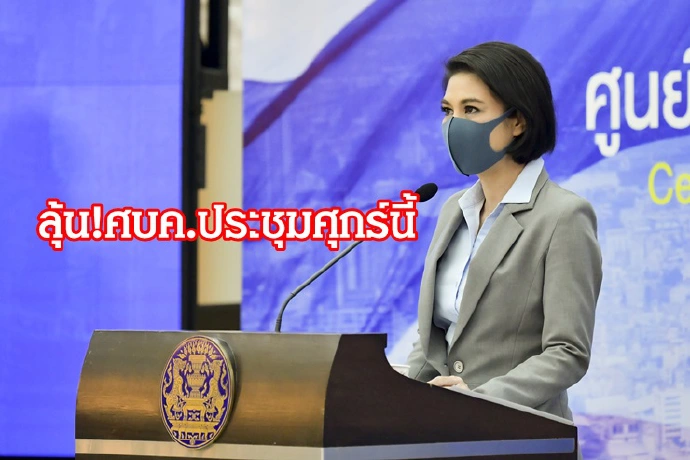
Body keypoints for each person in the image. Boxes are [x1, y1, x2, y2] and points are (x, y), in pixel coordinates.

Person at [406, 41, 603, 422]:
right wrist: (396, 398)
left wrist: (480, 400)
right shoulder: (453, 210)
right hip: (443, 432)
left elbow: (568, 352)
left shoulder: (564, 216)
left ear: (518, 122)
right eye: (448, 111)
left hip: (520, 433)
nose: (454, 125)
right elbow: (435, 340)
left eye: (471, 110)